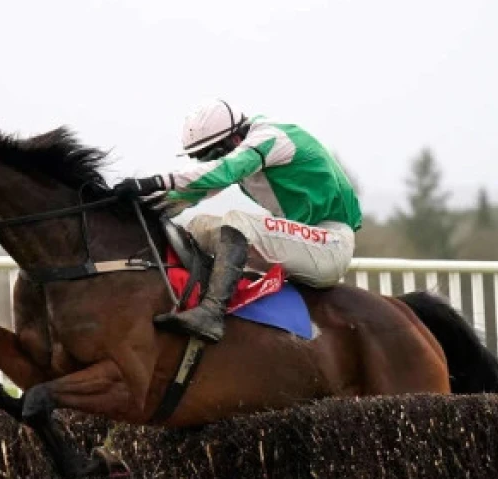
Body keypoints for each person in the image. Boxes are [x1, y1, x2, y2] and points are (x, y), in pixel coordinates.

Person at [111, 99, 362, 343]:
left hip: (331, 244)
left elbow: (224, 170)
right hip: (302, 243)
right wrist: (131, 206)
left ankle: (212, 313)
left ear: (235, 139)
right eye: (202, 158)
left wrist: (154, 181)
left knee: (238, 221)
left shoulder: (271, 138)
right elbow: (187, 194)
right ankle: (191, 297)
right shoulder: (243, 153)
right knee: (197, 227)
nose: (208, 162)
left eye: (213, 154)